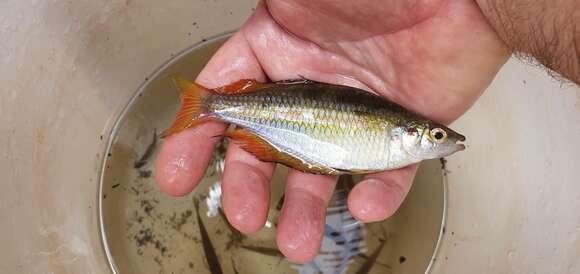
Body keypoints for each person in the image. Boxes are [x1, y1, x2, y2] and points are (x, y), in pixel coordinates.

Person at [155, 0, 580, 263]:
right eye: (435, 136)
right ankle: (206, 105)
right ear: (409, 133)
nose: (447, 141)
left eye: (438, 136)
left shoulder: (402, 136)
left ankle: (206, 105)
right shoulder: (397, 133)